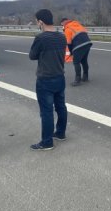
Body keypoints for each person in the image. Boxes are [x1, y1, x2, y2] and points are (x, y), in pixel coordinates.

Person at [29, 9, 68, 150]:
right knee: (61, 106)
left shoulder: (41, 38)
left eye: (36, 21)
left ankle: (47, 142)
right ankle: (61, 133)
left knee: (46, 111)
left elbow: (32, 56)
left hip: (45, 79)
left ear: (41, 22)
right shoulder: (62, 36)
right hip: (59, 76)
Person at [60, 17, 93, 86]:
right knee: (84, 61)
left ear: (63, 22)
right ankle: (85, 77)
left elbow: (68, 42)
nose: (62, 26)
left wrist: (71, 52)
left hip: (79, 45)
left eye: (62, 25)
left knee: (76, 62)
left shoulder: (67, 28)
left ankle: (77, 80)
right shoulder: (76, 24)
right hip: (88, 43)